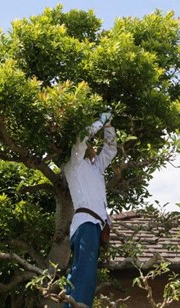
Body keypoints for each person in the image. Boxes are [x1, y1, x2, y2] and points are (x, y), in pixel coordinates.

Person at [63, 112, 117, 307]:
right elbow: (81, 138)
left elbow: (110, 150)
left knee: (82, 270)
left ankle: (71, 305)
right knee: (84, 272)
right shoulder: (73, 164)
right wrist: (99, 122)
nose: (93, 148)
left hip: (96, 225)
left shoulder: (95, 168)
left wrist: (109, 127)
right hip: (86, 222)